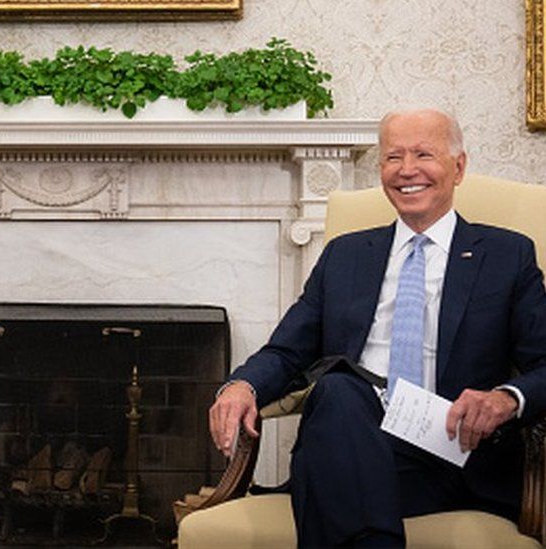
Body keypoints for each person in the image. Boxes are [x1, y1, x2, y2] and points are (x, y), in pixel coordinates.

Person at [209, 109, 546, 547]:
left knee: (333, 447)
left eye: (423, 154)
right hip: (353, 434)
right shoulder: (344, 255)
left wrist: (506, 398)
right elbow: (286, 352)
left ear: (458, 167)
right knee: (340, 389)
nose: (407, 170)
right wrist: (242, 387)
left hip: (453, 456)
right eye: (393, 158)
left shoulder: (505, 255)